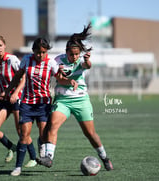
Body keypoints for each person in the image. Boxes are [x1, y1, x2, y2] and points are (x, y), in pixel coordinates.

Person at [36, 23, 114, 171]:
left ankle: (104, 158)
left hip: (81, 100)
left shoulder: (81, 61)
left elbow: (88, 65)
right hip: (63, 100)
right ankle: (49, 158)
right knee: (53, 125)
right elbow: (58, 79)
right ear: (66, 52)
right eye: (71, 54)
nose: (74, 57)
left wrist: (86, 60)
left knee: (90, 133)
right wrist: (68, 81)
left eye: (77, 54)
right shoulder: (58, 61)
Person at [2, 37, 59, 176]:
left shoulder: (51, 63)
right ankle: (18, 167)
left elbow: (60, 78)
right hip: (27, 104)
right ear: (33, 51)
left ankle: (42, 148)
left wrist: (69, 83)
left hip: (43, 104)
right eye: (38, 52)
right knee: (24, 135)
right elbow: (18, 77)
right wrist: (8, 90)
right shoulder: (27, 60)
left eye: (43, 52)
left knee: (44, 134)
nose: (40, 55)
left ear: (47, 51)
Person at [0, 35, 37, 167]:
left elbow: (23, 78)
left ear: (4, 46)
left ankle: (34, 158)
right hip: (4, 100)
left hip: (18, 99)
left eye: (0, 45)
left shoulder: (12, 60)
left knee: (21, 132)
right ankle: (11, 147)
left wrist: (14, 93)